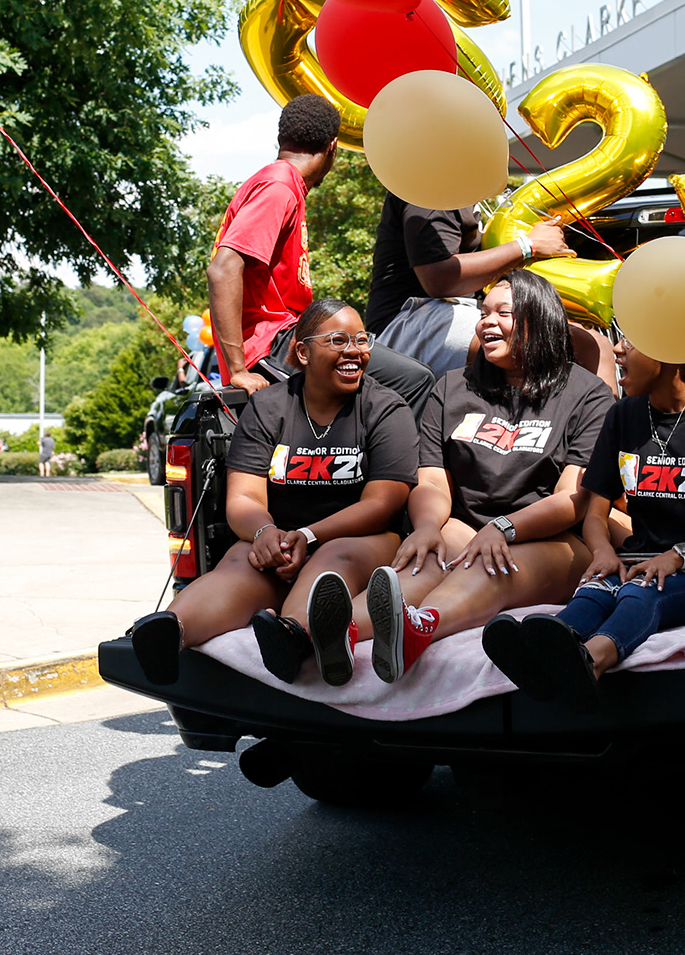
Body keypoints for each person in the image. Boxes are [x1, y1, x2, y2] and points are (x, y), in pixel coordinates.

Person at [311, 270, 618, 684]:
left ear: (538, 319)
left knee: (487, 566)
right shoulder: (452, 387)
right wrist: (425, 528)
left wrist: (505, 528)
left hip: (556, 540)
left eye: (502, 313)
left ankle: (418, 628)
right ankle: (341, 633)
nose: (486, 322)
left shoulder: (587, 394)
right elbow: (433, 480)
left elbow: (572, 499)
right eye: (483, 312)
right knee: (422, 560)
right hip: (468, 526)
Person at [125, 300, 419, 687]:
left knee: (333, 557)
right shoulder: (268, 407)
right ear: (303, 351)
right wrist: (265, 533)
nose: (355, 351)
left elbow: (383, 503)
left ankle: (292, 636)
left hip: (359, 540)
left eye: (362, 340)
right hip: (279, 542)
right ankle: (167, 633)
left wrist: (309, 536)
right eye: (338, 340)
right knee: (239, 562)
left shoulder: (385, 408)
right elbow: (243, 498)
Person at [482, 330, 685, 706]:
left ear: (666, 354)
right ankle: (540, 653)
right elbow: (595, 511)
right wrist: (601, 551)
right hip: (639, 562)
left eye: (630, 342)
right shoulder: (624, 415)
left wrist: (678, 557)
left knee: (641, 594)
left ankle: (590, 663)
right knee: (595, 592)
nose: (617, 350)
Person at [207, 94, 436, 413]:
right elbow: (223, 269)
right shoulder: (279, 187)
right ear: (333, 146)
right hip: (273, 343)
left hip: (286, 337)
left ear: (280, 139)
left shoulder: (276, 183)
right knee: (414, 380)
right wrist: (237, 371)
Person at [364, 195, 604, 380]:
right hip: (407, 321)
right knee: (576, 343)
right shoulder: (433, 179)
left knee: (596, 342)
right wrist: (528, 245)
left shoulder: (464, 188)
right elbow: (439, 279)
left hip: (449, 313)